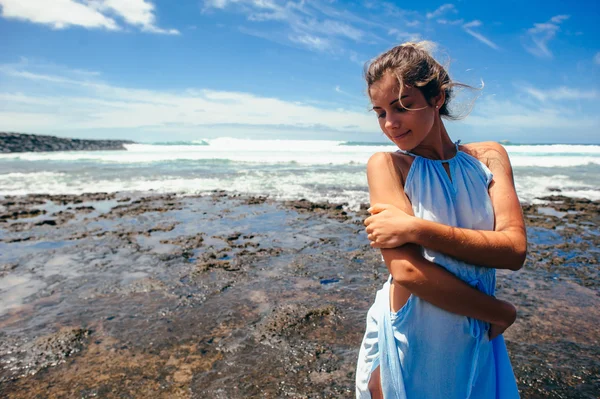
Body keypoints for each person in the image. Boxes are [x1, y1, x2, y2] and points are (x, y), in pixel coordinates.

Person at [355, 41, 526, 399]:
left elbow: (513, 250)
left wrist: (417, 228)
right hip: (411, 333)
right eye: (380, 111)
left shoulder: (489, 157)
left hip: (474, 331)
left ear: (437, 97)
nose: (391, 123)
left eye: (403, 106)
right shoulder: (387, 166)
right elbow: (407, 271)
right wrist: (499, 311)